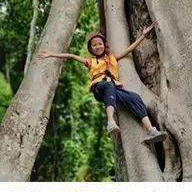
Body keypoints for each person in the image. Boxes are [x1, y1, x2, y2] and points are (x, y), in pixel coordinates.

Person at [39, 25, 167, 144]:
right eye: (94, 45)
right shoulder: (91, 61)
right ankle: (110, 121)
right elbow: (71, 56)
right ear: (91, 49)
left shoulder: (112, 58)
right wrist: (52, 54)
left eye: (100, 44)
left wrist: (143, 36)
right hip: (99, 88)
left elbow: (130, 48)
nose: (97, 46)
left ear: (104, 45)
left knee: (135, 97)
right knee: (108, 84)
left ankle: (151, 130)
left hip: (113, 89)